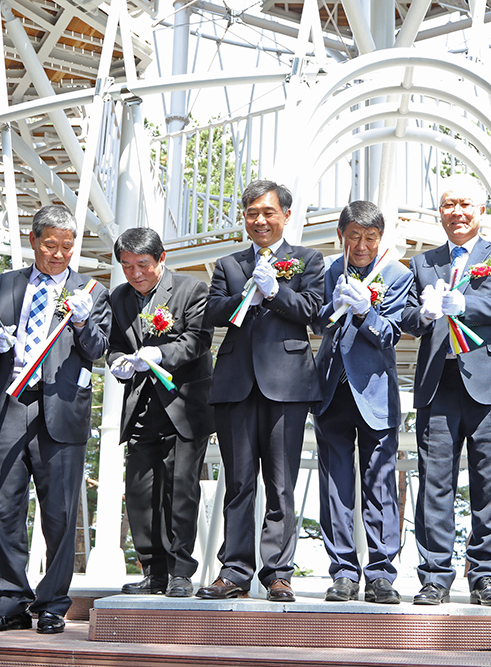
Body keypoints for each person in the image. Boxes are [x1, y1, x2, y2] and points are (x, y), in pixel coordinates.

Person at [0, 205, 110, 634]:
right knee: (2, 506)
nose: (59, 254)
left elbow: (98, 347)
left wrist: (85, 317)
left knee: (60, 511)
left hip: (61, 410)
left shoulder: (90, 290)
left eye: (68, 247)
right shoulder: (8, 283)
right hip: (10, 405)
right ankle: (11, 600)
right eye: (50, 245)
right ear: (33, 241)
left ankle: (53, 603)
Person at [196, 180, 325, 602]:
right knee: (239, 482)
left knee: (281, 483)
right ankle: (234, 570)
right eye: (252, 212)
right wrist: (245, 296)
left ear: (286, 216)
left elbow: (312, 311)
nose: (260, 220)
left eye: (268, 212)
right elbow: (212, 312)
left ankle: (278, 574)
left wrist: (275, 292)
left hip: (287, 385)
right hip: (235, 384)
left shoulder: (308, 260)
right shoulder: (229, 264)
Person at [400, 175, 491, 607]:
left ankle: (487, 574)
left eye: (465, 205)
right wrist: (423, 312)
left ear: (481, 211)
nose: (457, 212)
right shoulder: (423, 263)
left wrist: (466, 304)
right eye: (449, 204)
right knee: (435, 482)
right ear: (440, 212)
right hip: (438, 383)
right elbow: (410, 322)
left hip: (490, 383)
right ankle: (434, 575)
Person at [310, 201, 411, 604]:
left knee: (379, 484)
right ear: (341, 236)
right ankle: (343, 572)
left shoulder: (397, 275)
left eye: (370, 237)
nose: (362, 245)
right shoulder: (329, 269)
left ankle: (382, 573)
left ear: (379, 239)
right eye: (354, 236)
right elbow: (315, 321)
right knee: (334, 485)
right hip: (332, 389)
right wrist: (333, 309)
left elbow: (391, 332)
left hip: (375, 393)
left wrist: (367, 312)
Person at [107, 228, 214, 598]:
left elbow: (198, 340)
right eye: (127, 266)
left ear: (161, 259)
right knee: (140, 492)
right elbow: (116, 344)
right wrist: (118, 362)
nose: (135, 273)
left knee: (180, 490)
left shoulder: (192, 289)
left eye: (143, 265)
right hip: (141, 407)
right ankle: (152, 571)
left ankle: (180, 571)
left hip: (182, 406)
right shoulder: (119, 298)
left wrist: (159, 355)